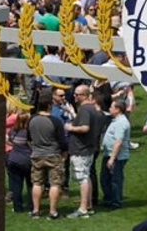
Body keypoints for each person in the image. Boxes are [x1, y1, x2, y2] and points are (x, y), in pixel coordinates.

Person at [27, 93, 67, 220]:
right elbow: (62, 141)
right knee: (55, 183)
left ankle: (36, 210)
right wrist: (64, 154)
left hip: (36, 155)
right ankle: (53, 211)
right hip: (53, 155)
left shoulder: (31, 120)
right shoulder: (55, 121)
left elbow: (28, 138)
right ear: (49, 106)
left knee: (37, 183)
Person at [63, 84, 98, 218]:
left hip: (81, 150)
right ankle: (88, 206)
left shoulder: (84, 109)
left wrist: (69, 128)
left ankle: (83, 209)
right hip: (88, 148)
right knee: (86, 176)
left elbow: (84, 128)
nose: (74, 96)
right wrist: (73, 114)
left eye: (77, 94)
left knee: (82, 178)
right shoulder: (91, 108)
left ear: (84, 95)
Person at [100, 100, 130, 209]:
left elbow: (118, 141)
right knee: (105, 178)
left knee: (115, 180)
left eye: (112, 107)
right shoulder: (116, 120)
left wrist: (112, 158)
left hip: (117, 156)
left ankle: (116, 201)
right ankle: (108, 198)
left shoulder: (121, 122)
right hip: (109, 154)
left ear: (118, 109)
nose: (109, 109)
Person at [6, 111, 32, 214]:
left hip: (13, 160)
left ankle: (17, 208)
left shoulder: (13, 130)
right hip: (27, 161)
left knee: (16, 186)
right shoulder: (29, 133)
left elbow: (9, 140)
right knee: (31, 184)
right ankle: (32, 206)